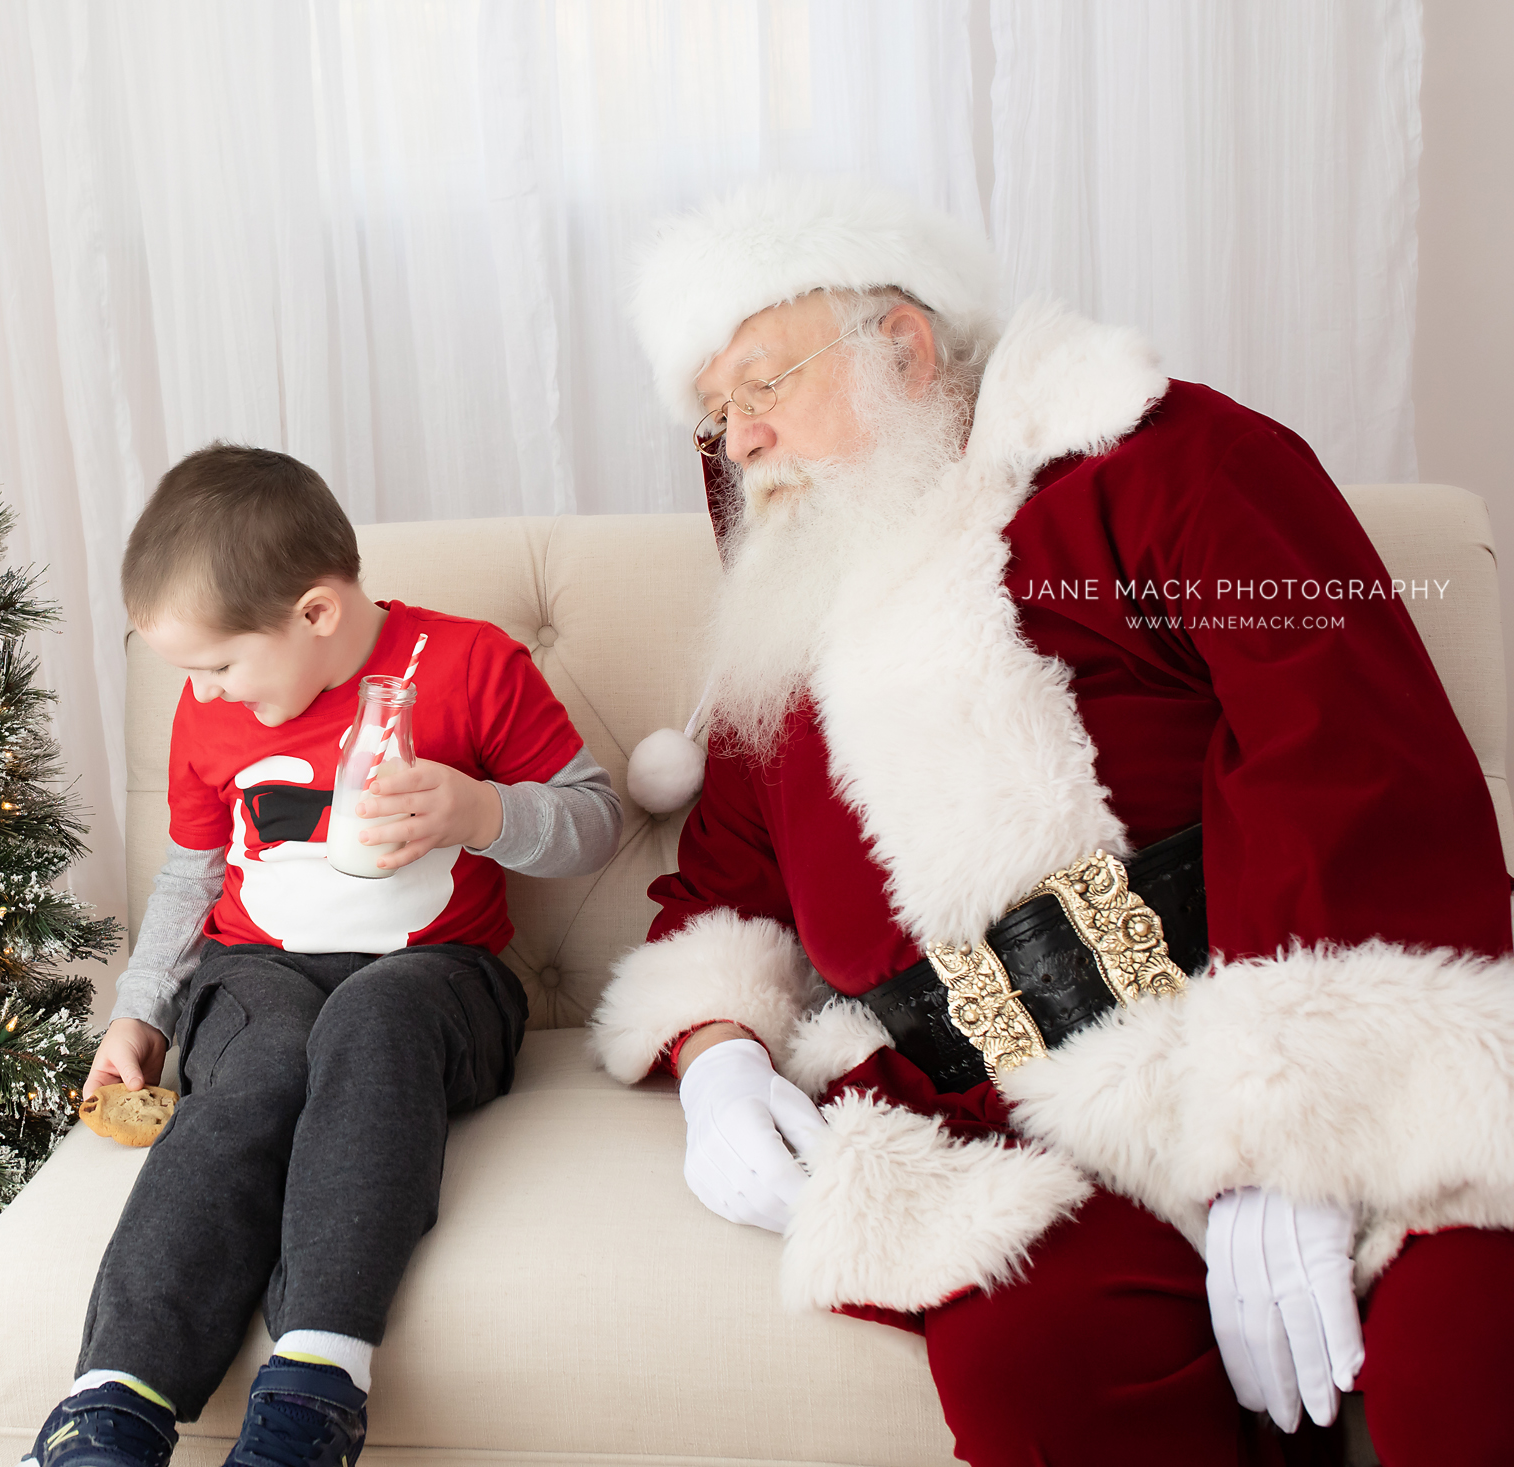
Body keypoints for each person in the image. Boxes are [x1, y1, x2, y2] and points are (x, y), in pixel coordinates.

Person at [590, 178, 1514, 1466]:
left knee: (1467, 1359)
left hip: (1297, 1037)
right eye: (713, 416)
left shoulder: (1167, 460)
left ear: (900, 347)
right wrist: (716, 1059)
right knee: (1043, 1377)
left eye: (761, 386)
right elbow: (724, 891)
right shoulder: (781, 633)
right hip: (992, 1125)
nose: (737, 441)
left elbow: (1343, 743)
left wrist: (1290, 1136)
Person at [26, 444, 621, 1467]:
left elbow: (595, 823)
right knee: (260, 1067)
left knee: (370, 1020)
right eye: (189, 674)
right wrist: (141, 1010)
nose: (205, 695)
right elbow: (190, 876)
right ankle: (110, 1408)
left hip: (440, 984)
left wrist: (482, 812)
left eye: (217, 665)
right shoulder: (208, 718)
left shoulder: (473, 667)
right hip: (258, 975)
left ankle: (312, 1393)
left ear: (315, 613)